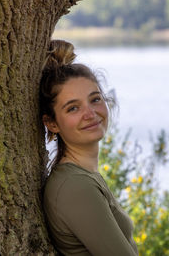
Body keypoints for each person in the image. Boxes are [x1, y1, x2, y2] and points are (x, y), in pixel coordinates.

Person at [40, 40, 139, 256]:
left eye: (95, 99)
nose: (90, 113)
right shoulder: (74, 186)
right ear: (52, 123)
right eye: (73, 108)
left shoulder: (83, 176)